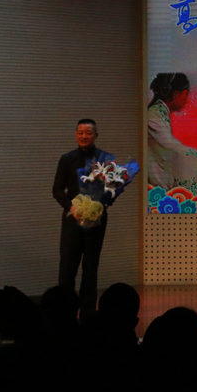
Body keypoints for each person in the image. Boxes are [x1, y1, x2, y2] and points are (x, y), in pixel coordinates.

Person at [52, 118, 113, 320]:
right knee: (67, 267)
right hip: (73, 219)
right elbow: (57, 189)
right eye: (80, 132)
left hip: (97, 220)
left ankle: (88, 313)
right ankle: (64, 312)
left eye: (88, 133)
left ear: (96, 135)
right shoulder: (67, 159)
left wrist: (102, 204)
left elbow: (112, 189)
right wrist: (72, 207)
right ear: (76, 134)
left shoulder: (105, 159)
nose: (84, 136)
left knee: (91, 267)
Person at [146, 72, 197, 191]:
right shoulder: (153, 117)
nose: (187, 98)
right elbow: (171, 147)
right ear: (175, 94)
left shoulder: (159, 113)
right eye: (186, 94)